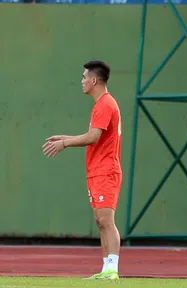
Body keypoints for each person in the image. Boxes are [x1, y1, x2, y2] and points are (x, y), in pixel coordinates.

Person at [42, 60, 122, 280]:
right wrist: (65, 137)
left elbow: (93, 137)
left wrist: (65, 144)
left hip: (106, 170)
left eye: (84, 77)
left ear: (94, 80)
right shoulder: (101, 105)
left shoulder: (105, 104)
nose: (82, 81)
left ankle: (112, 269)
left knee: (106, 220)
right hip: (97, 169)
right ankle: (106, 268)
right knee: (100, 220)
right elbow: (95, 138)